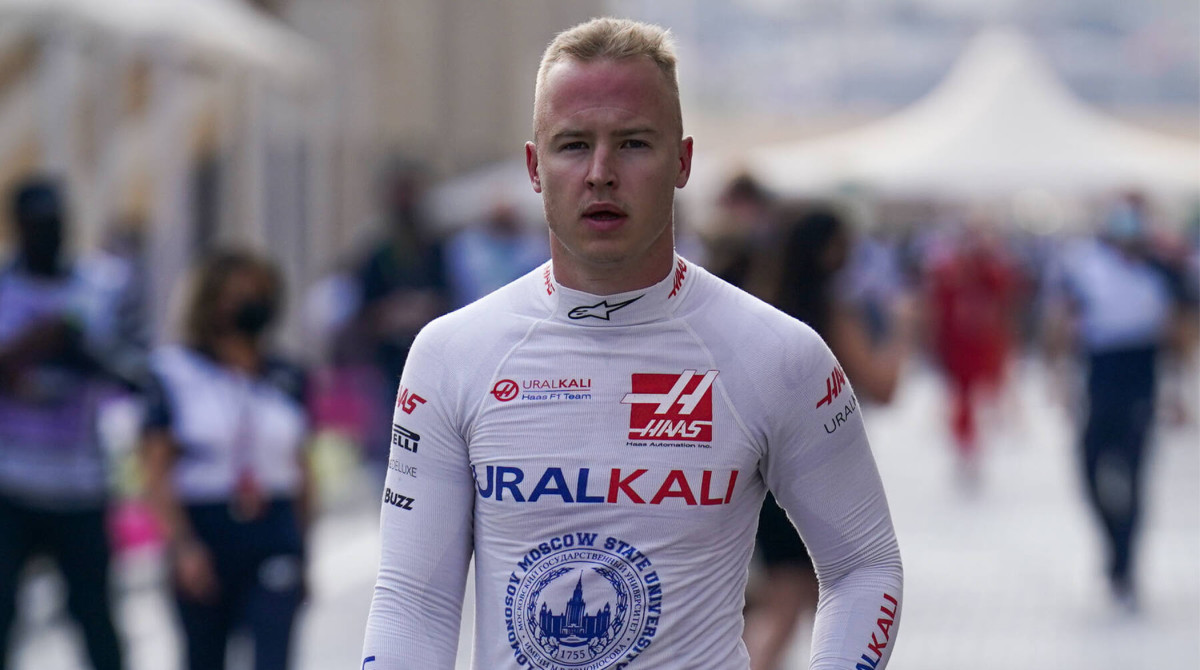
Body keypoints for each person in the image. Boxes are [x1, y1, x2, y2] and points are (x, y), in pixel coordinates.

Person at [361, 18, 903, 670]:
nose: (601, 173)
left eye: (634, 143)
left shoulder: (780, 355)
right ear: (534, 167)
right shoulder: (451, 355)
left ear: (683, 161)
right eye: (572, 145)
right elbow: (413, 602)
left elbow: (864, 566)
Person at [743, 207, 911, 670]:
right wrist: (902, 330)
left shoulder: (761, 310)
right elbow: (883, 386)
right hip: (815, 477)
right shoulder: (831, 313)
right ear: (828, 250)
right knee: (794, 603)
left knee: (797, 600)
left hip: (763, 472)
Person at [141, 250, 313, 669]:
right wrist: (182, 546)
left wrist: (305, 545)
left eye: (258, 293)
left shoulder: (287, 376)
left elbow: (303, 466)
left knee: (273, 653)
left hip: (273, 526)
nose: (249, 304)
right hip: (206, 527)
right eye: (236, 295)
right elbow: (155, 469)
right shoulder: (174, 373)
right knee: (204, 656)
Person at [0, 177, 131, 670]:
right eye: (36, 224)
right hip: (10, 483)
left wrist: (82, 349)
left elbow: (136, 372)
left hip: (80, 484)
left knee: (96, 619)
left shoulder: (102, 286)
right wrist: (29, 346)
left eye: (54, 223)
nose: (47, 234)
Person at [1047, 193, 1193, 610]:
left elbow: (1178, 333)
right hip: (1101, 379)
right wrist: (1060, 378)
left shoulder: (1161, 271)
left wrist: (1178, 393)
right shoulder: (1087, 265)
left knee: (1134, 475)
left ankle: (1126, 563)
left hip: (1140, 381)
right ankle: (1113, 546)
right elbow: (1065, 321)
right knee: (1089, 469)